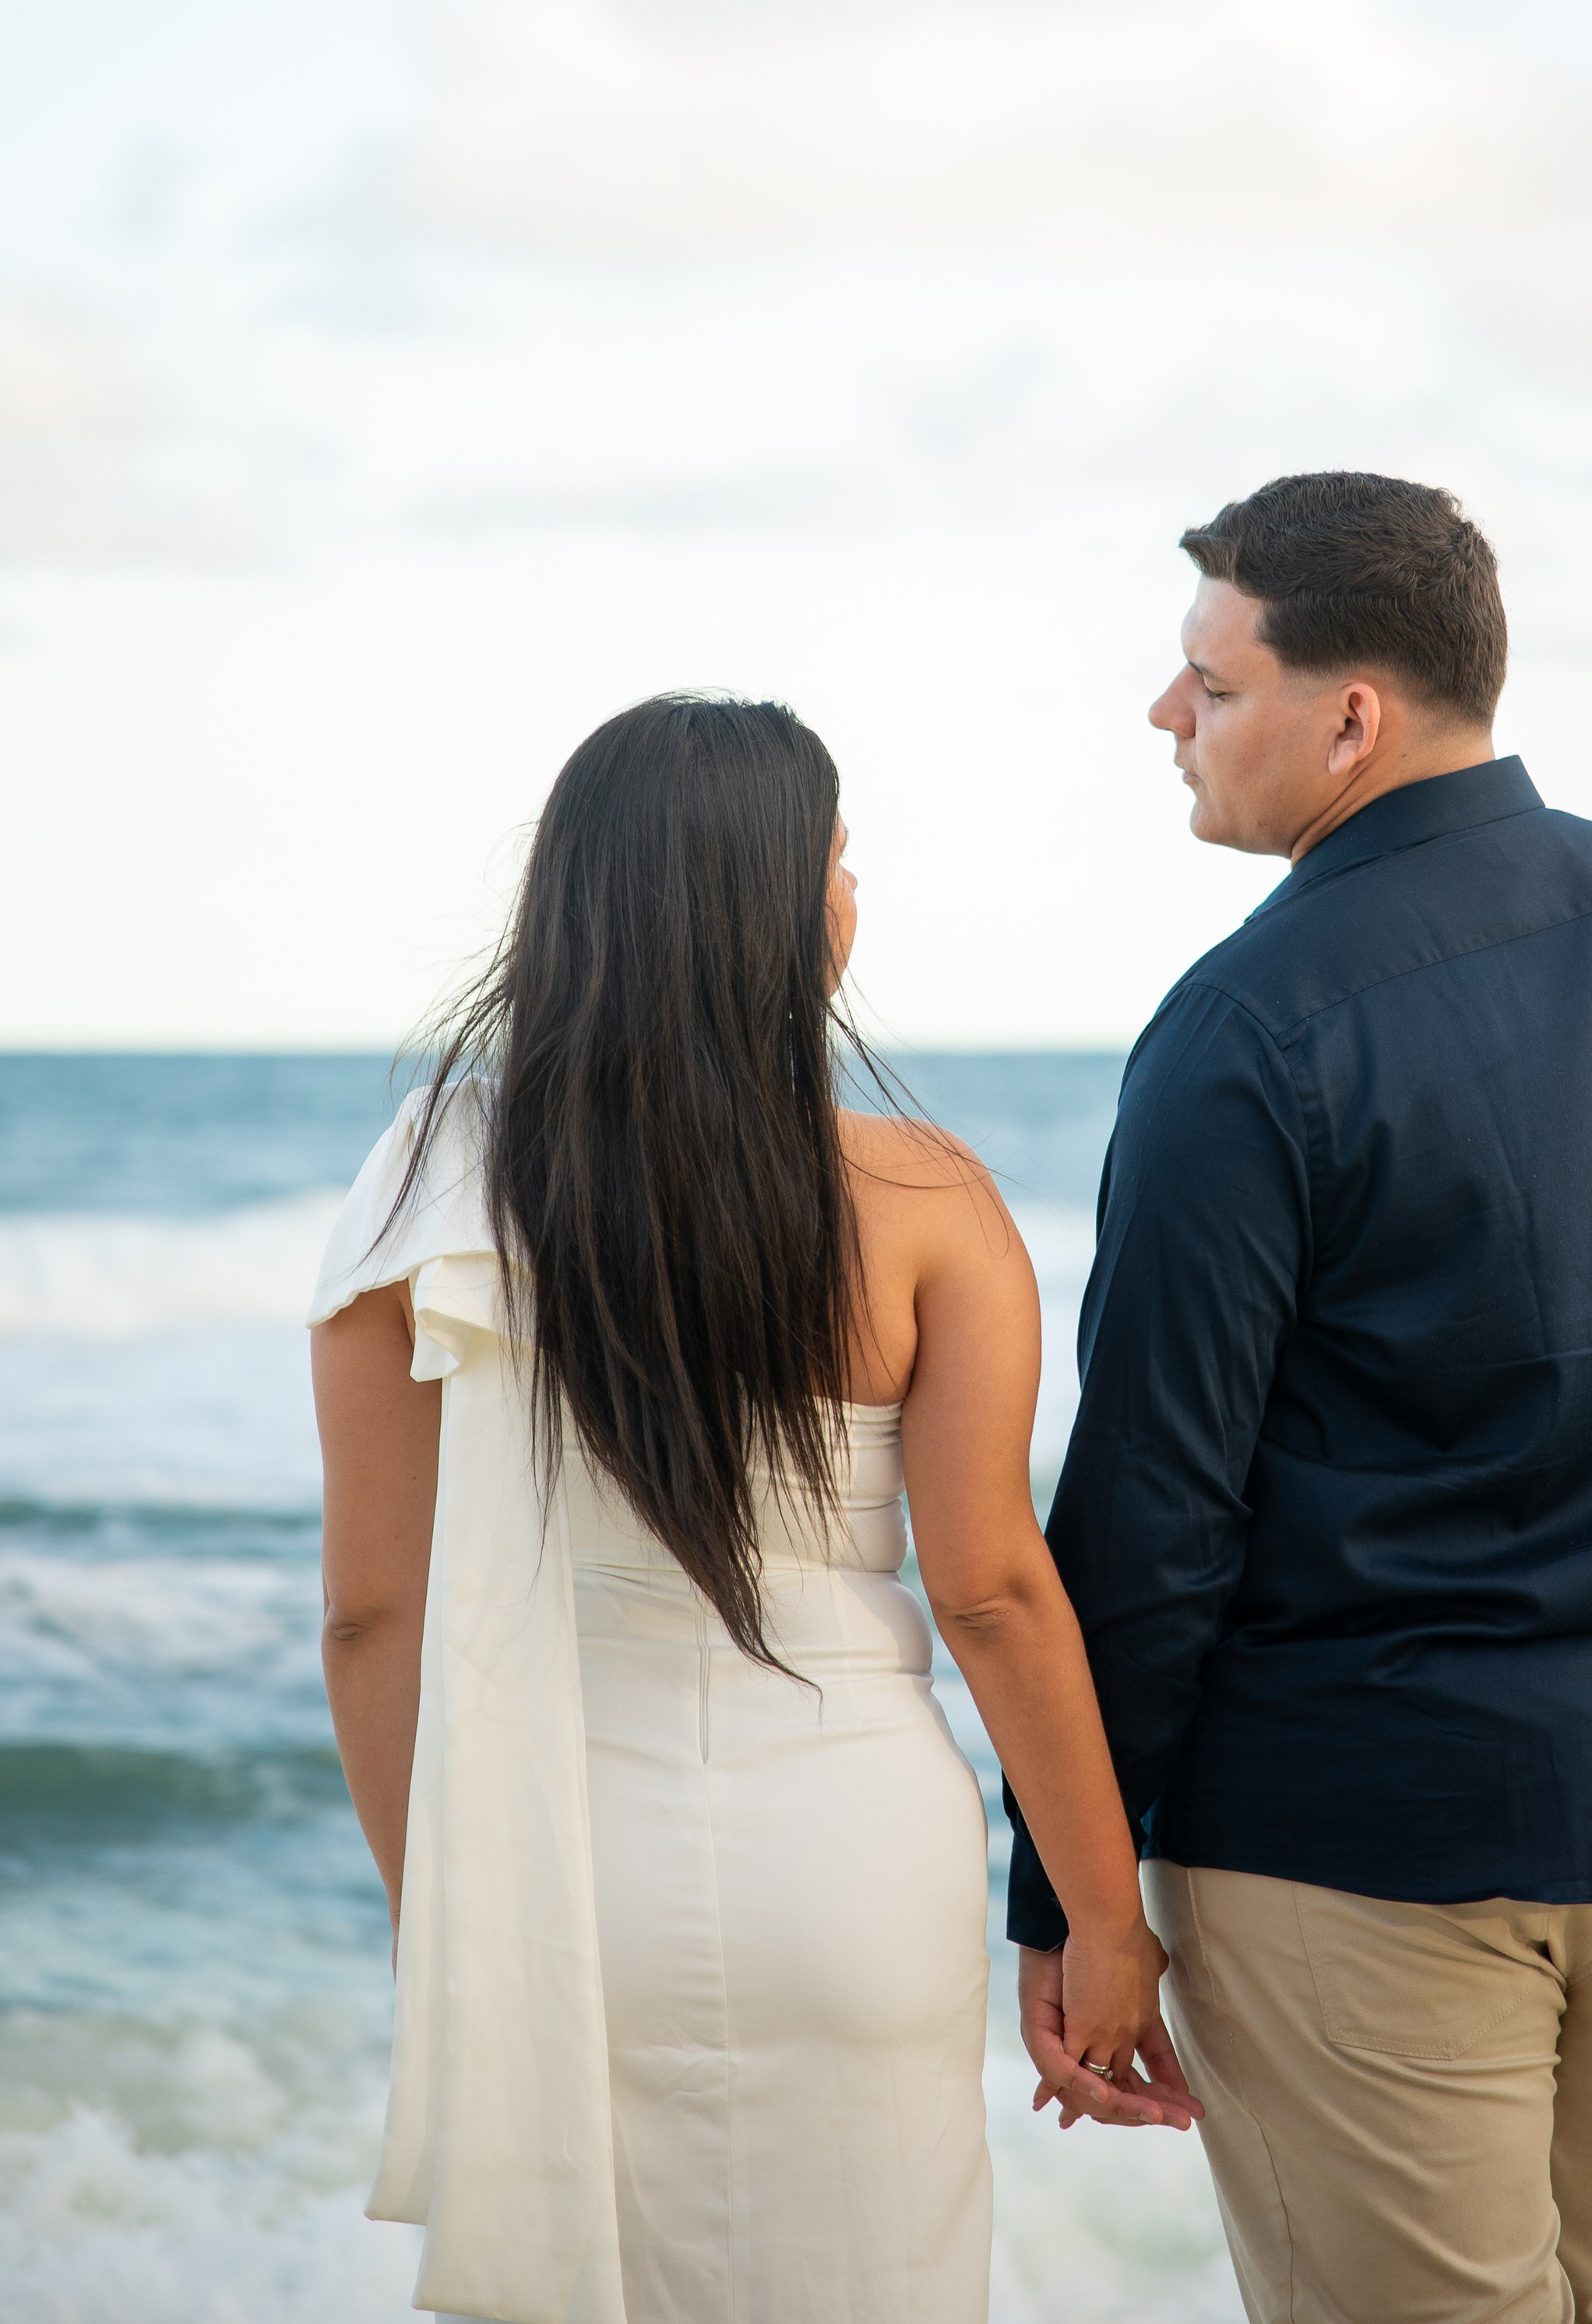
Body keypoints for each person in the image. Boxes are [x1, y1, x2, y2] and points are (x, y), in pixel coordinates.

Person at [1007, 472, 1592, 2324]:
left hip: (1371, 1841)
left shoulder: (1252, 1019)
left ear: (1346, 715)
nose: (1164, 721)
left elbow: (1150, 1510)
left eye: (1207, 687)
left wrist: (1069, 1898)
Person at [308, 693, 1196, 2324]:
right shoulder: (925, 1197)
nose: (854, 890)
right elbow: (992, 1592)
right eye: (838, 858)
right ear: (781, 912)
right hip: (853, 1864)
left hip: (563, 1878)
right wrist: (1100, 1916)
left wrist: (433, 1910)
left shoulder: (433, 1181)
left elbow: (373, 1615)